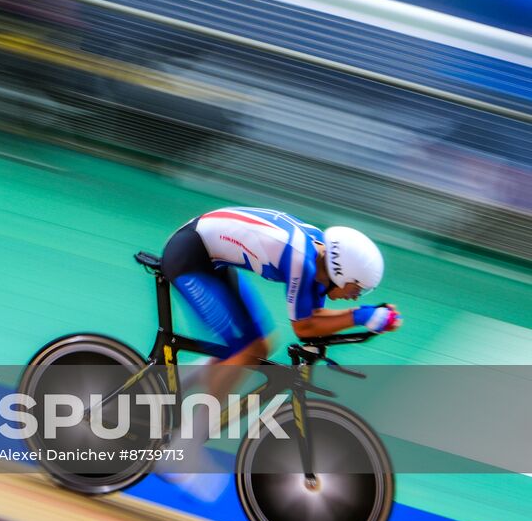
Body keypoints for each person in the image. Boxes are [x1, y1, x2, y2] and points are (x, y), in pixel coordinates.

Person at [155, 207, 401, 500]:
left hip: (210, 256)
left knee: (258, 345)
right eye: (358, 288)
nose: (356, 295)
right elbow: (305, 327)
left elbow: (315, 316)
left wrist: (365, 317)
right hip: (189, 258)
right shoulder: (302, 260)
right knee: (243, 350)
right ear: (341, 272)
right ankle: (182, 449)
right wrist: (361, 316)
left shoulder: (322, 260)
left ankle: (176, 384)